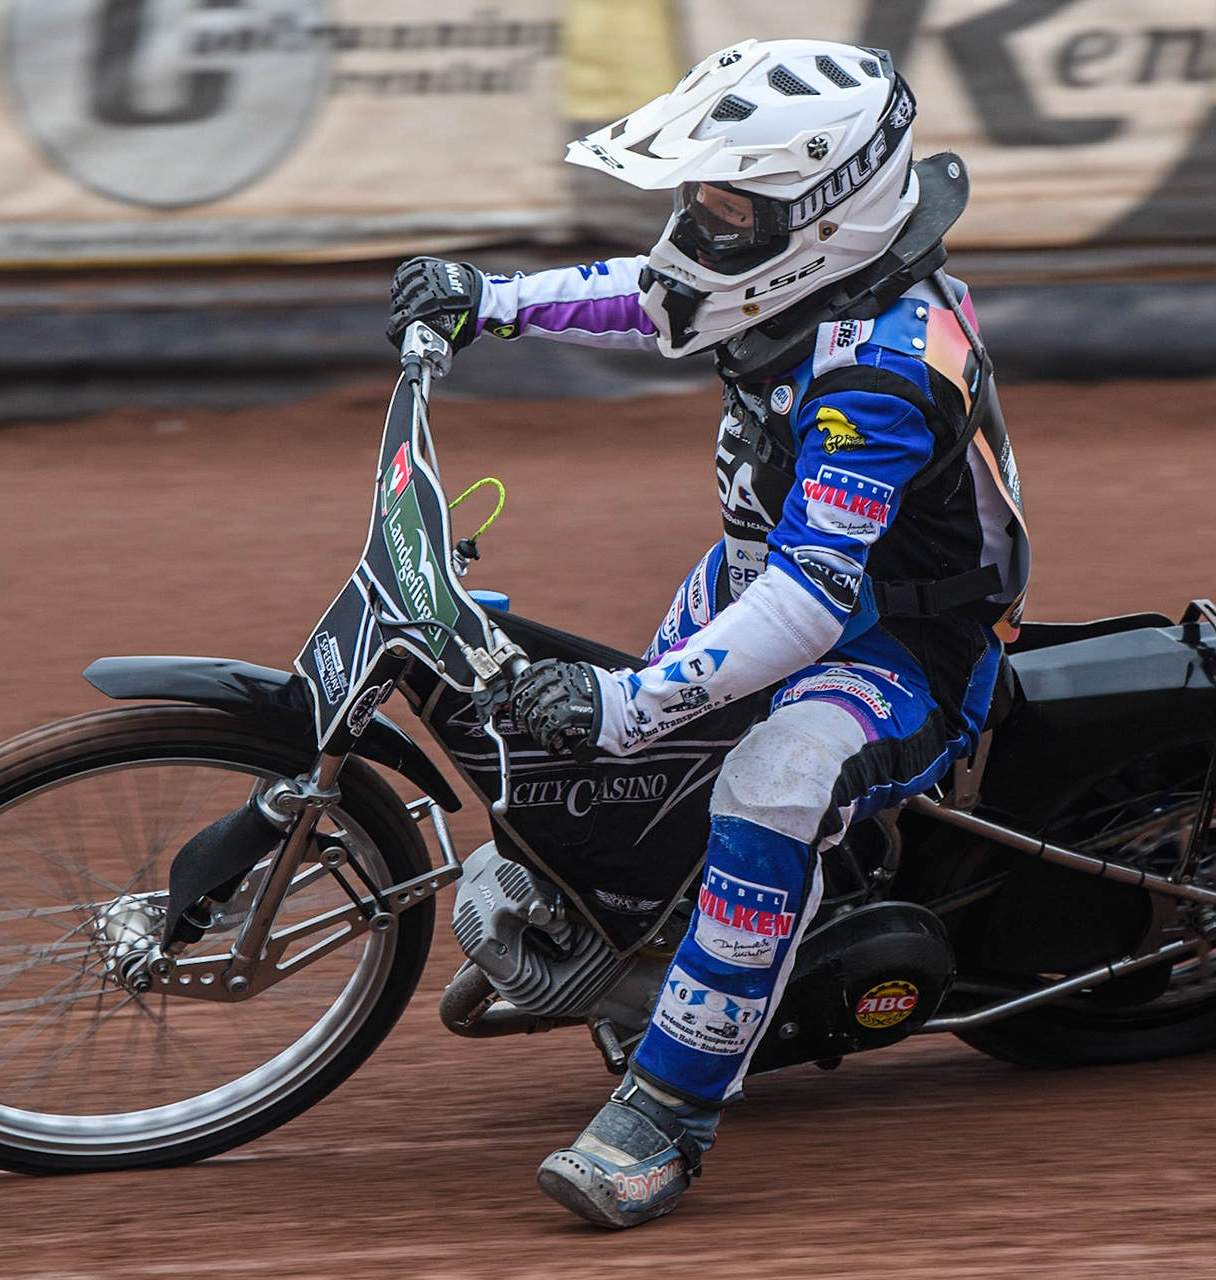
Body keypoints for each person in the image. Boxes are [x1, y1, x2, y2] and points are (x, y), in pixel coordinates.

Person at [385, 37, 1029, 1229]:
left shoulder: (880, 369)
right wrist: (492, 302)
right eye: (702, 194)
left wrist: (628, 702)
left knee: (763, 783)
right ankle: (627, 936)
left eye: (731, 202)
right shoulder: (790, 271)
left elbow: (811, 607)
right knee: (644, 756)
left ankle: (667, 1117)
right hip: (764, 571)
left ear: (827, 210)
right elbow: (657, 292)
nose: (702, 219)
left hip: (898, 643)